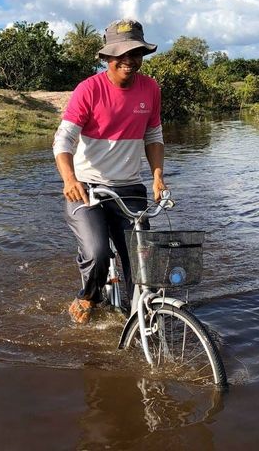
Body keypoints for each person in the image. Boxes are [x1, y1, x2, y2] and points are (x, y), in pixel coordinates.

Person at [53, 19, 167, 325]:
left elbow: (153, 136)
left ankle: (141, 320)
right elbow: (63, 140)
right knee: (99, 252)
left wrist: (157, 176)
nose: (128, 60)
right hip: (88, 189)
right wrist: (69, 179)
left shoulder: (151, 88)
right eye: (121, 53)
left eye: (135, 52)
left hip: (130, 188)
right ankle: (88, 295)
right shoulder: (88, 90)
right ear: (106, 58)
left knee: (143, 266)